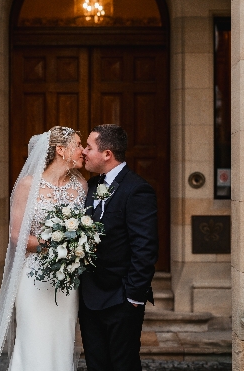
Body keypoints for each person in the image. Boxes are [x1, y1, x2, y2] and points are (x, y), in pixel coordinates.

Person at [0, 126, 87, 371]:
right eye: (78, 144)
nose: (83, 150)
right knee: (33, 339)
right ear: (61, 150)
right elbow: (17, 236)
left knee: (61, 339)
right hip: (33, 276)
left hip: (66, 277)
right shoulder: (29, 185)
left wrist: (76, 246)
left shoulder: (81, 186)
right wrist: (56, 244)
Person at [79, 124, 159, 371]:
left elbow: (145, 247)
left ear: (107, 154)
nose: (83, 151)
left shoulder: (137, 189)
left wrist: (133, 297)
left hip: (121, 299)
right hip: (90, 298)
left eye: (89, 147)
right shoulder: (91, 186)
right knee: (96, 364)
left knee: (123, 365)